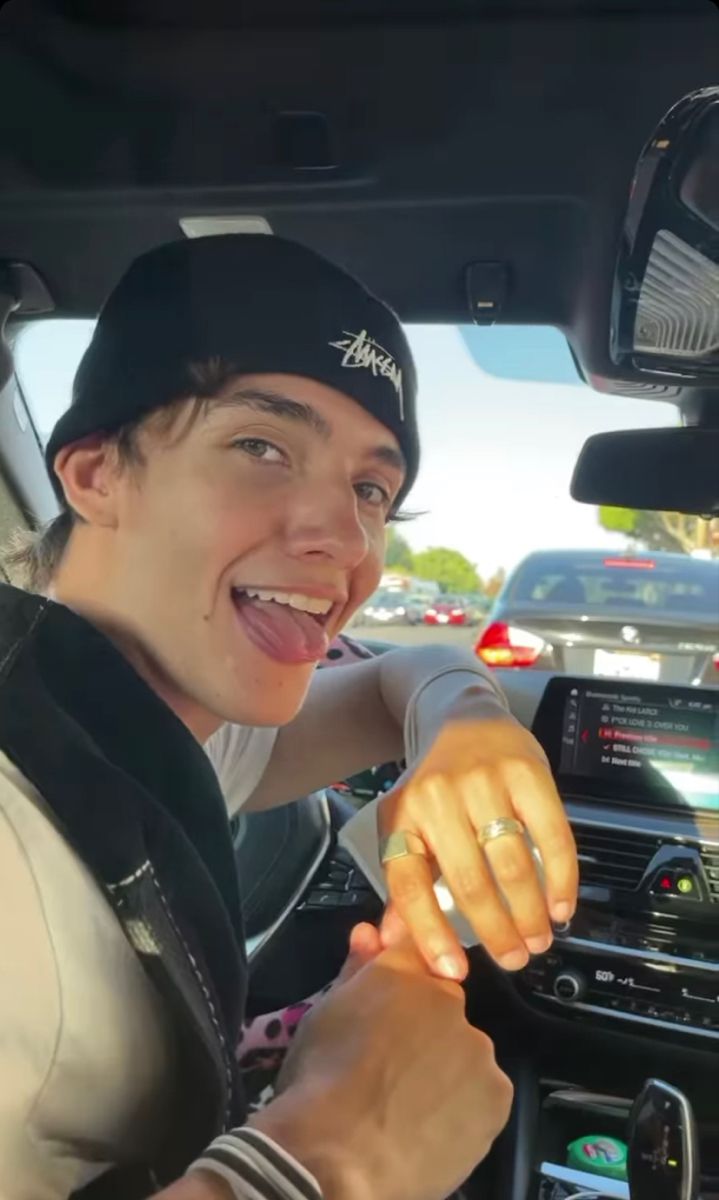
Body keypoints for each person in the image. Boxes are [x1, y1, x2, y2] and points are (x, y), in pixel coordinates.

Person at [0, 235, 577, 1200]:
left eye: (370, 489)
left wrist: (460, 711)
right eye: (261, 447)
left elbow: (385, 685)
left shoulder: (145, 725)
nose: (344, 540)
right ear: (97, 473)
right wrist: (326, 1158)